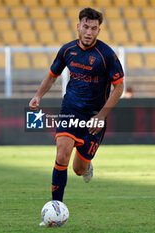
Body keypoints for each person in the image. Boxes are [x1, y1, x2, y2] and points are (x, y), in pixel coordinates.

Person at [29, 8, 124, 209]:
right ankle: (56, 207)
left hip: (94, 117)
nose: (89, 32)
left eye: (94, 28)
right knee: (62, 153)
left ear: (99, 31)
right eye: (86, 26)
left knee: (78, 170)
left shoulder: (106, 55)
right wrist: (38, 95)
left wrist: (101, 115)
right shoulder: (67, 50)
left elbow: (119, 87)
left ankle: (87, 165)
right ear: (78, 26)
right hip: (70, 110)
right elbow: (52, 76)